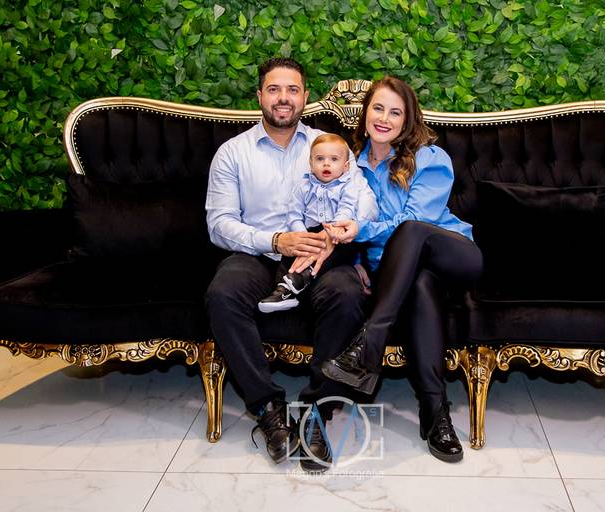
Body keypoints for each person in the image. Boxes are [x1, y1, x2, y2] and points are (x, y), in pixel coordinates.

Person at [204, 58, 372, 474]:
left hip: (320, 251)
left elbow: (363, 197)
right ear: (260, 96)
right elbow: (219, 224)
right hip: (259, 254)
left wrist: (345, 230)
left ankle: (317, 410)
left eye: (293, 89)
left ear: (305, 97)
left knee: (347, 293)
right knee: (222, 294)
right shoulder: (233, 152)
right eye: (274, 89)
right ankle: (268, 408)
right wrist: (277, 240)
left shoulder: (329, 146)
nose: (284, 98)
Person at [320, 76, 484, 463]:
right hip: (404, 275)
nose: (384, 118)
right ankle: (435, 413)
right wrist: (356, 261)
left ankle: (370, 340)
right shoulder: (349, 167)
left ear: (407, 121)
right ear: (365, 114)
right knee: (421, 284)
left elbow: (413, 221)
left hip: (454, 256)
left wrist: (361, 231)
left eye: (395, 112)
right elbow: (340, 219)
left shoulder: (429, 159)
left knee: (411, 230)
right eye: (378, 108)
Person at [258, 133, 377, 313]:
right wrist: (302, 236)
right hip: (309, 231)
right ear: (311, 163)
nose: (326, 164)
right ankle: (282, 291)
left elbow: (346, 208)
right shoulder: (303, 186)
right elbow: (294, 214)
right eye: (320, 159)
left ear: (345, 166)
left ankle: (302, 278)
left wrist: (334, 230)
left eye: (334, 159)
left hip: (336, 230)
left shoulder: (348, 186)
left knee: (341, 247)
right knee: (291, 252)